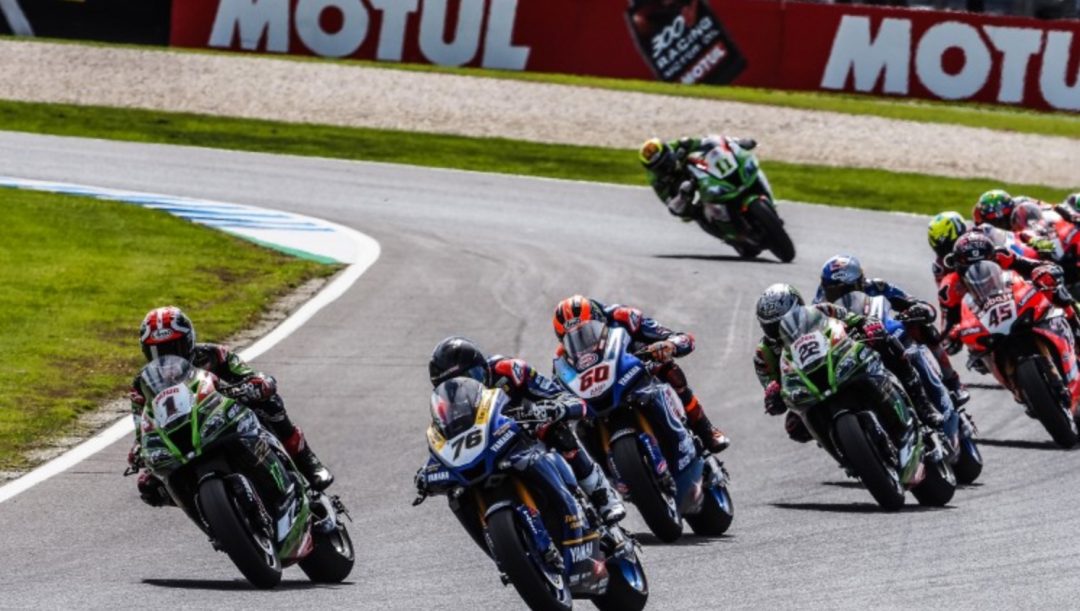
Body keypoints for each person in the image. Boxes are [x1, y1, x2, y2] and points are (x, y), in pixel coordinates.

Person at [127, 306, 333, 506]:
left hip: (221, 415)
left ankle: (307, 462)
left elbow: (248, 374)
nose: (167, 357)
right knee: (149, 486)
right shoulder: (142, 384)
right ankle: (206, 510)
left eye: (174, 348)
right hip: (180, 437)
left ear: (189, 342)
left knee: (269, 403)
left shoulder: (212, 354)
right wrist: (138, 449)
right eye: (158, 351)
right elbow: (141, 426)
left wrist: (256, 384)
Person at [416, 336, 626, 526]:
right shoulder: (446, 406)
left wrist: (556, 407)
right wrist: (431, 467)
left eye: (471, 376)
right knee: (458, 490)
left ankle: (601, 495)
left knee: (557, 432)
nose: (464, 387)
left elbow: (557, 394)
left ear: (483, 366)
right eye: (454, 385)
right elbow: (443, 440)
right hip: (487, 449)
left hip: (528, 434)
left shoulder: (509, 370)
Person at [753, 284, 944, 444]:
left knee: (884, 340)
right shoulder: (763, 354)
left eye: (783, 322)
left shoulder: (822, 311)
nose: (779, 330)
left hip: (841, 362)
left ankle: (922, 404)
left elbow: (856, 320)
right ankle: (845, 451)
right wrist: (772, 396)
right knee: (794, 427)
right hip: (809, 388)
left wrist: (867, 325)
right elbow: (772, 388)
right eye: (772, 327)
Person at [552, 295, 731, 453]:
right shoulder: (562, 358)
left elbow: (680, 337)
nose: (583, 340)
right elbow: (558, 389)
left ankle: (705, 429)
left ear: (599, 319)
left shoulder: (624, 317)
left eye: (588, 331)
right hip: (598, 393)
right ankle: (602, 473)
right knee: (581, 425)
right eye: (572, 338)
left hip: (635, 373)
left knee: (668, 368)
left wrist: (669, 345)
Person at [815, 254, 970, 406]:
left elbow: (916, 303)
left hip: (883, 335)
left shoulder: (877, 286)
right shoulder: (819, 302)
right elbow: (810, 327)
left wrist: (918, 309)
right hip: (849, 347)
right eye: (834, 292)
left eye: (849, 290)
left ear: (860, 282)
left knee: (923, 327)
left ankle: (952, 382)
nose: (843, 297)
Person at [638, 135, 757, 221]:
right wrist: (682, 196)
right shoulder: (657, 181)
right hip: (684, 191)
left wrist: (735, 142)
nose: (667, 166)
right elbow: (673, 207)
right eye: (661, 167)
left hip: (697, 169)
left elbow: (709, 141)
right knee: (694, 214)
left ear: (669, 150)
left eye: (666, 160)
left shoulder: (679, 144)